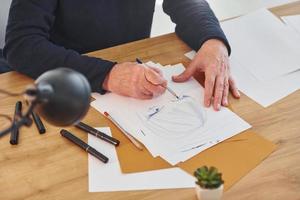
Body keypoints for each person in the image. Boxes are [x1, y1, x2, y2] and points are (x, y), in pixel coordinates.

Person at [4, 0, 240, 111]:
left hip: (127, 78)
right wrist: (107, 74)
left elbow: (187, 3)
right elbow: (22, 44)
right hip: (57, 83)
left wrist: (212, 41)